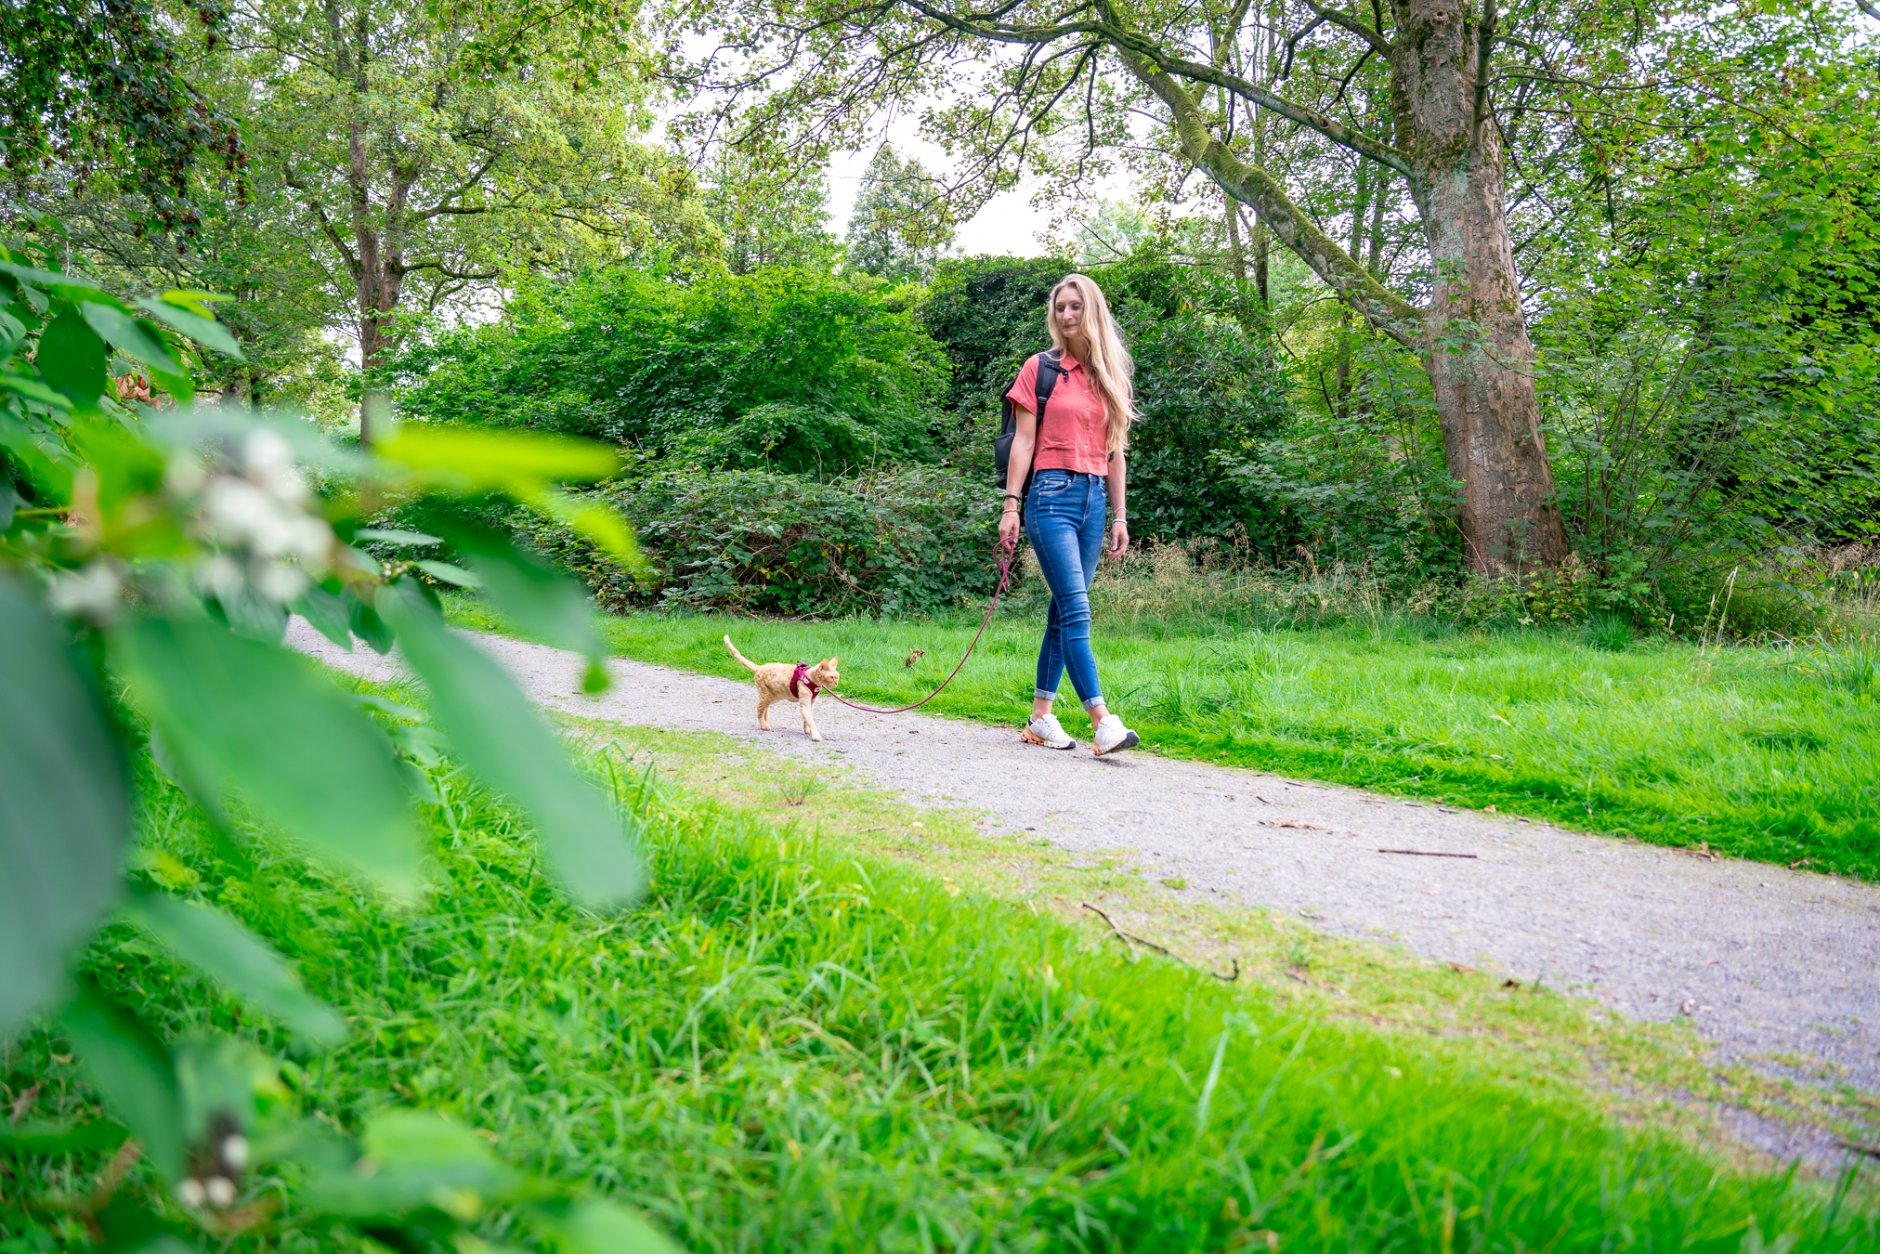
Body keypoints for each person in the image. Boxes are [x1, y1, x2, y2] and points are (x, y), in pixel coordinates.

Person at [997, 273, 1140, 757]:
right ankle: (1103, 721)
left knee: (1062, 611)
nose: (1066, 315)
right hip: (1049, 496)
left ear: (1091, 311)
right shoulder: (1040, 369)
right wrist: (1011, 504)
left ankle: (1040, 718)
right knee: (1078, 608)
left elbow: (1116, 451)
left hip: (1093, 500)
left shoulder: (1110, 376)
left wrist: (1119, 516)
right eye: (1060, 307)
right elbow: (1023, 440)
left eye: (1075, 306)